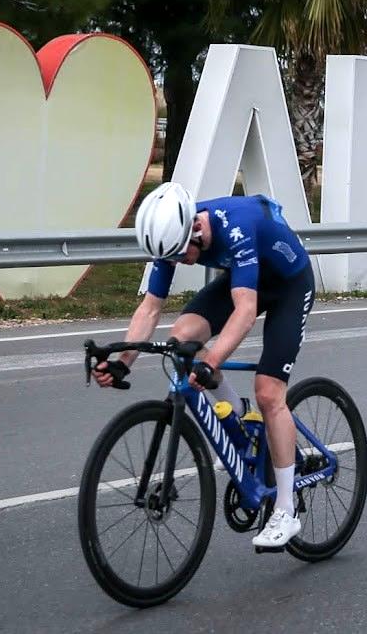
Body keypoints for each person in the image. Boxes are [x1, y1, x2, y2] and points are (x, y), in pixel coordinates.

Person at [93, 181, 316, 550]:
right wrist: (123, 362)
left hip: (289, 284)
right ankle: (238, 412)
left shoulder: (236, 226)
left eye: (182, 256)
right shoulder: (172, 236)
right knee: (181, 339)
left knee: (269, 392)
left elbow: (245, 312)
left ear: (196, 228)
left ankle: (286, 510)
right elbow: (150, 308)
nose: (179, 263)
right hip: (247, 278)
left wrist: (212, 362)